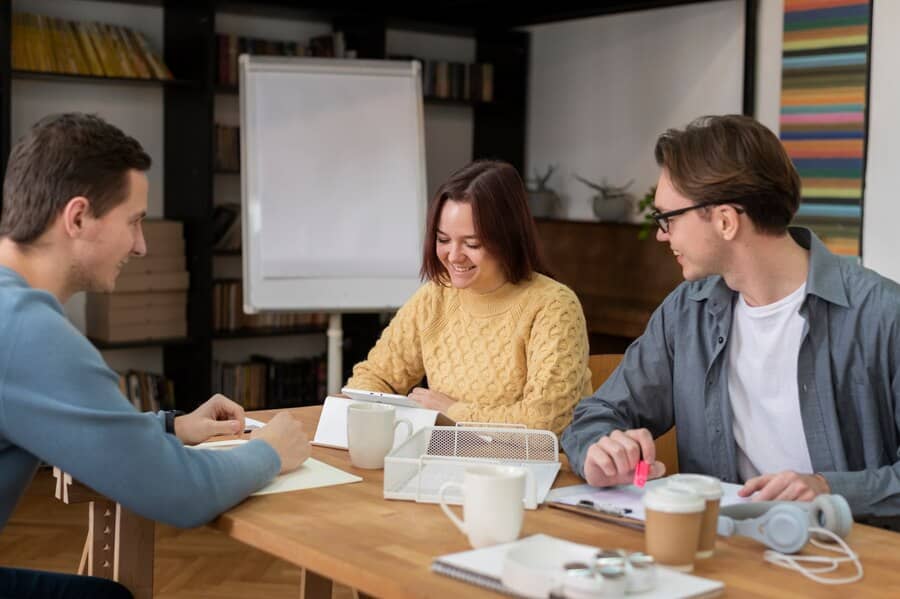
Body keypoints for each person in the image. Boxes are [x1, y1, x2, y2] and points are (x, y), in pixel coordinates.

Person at [0, 113, 311, 599]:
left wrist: (169, 427)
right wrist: (270, 452)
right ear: (78, 218)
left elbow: (66, 422)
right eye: (134, 221)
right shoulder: (26, 329)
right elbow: (179, 493)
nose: (142, 246)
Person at [561, 114, 900, 519]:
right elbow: (594, 416)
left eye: (668, 218)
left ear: (725, 220)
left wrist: (829, 490)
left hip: (851, 562)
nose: (662, 234)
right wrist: (601, 448)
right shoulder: (687, 312)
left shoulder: (880, 315)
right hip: (724, 551)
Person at [346, 160, 591, 434]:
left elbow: (546, 420)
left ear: (506, 238)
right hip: (448, 459)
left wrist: (453, 411)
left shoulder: (553, 305)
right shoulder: (435, 296)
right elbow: (373, 377)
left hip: (535, 470)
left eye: (472, 243)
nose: (453, 256)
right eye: (443, 239)